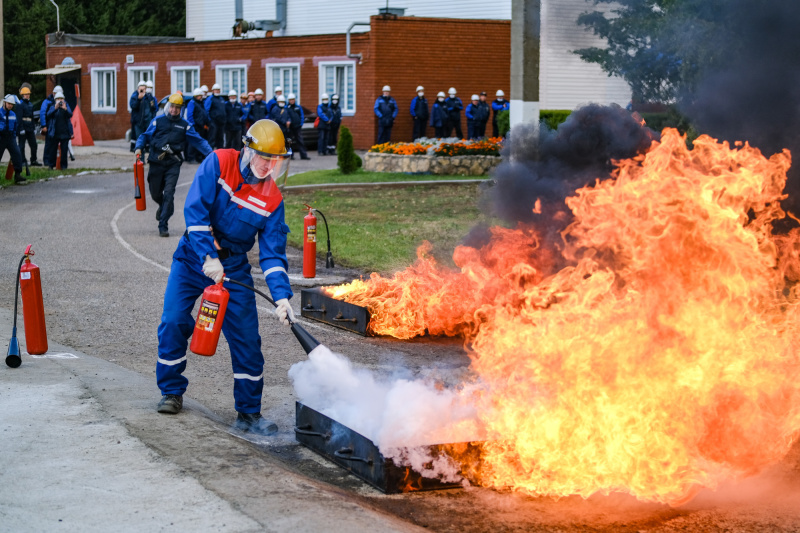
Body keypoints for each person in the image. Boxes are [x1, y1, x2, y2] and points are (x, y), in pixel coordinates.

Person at [154, 119, 294, 437]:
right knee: (174, 321)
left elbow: (272, 254)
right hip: (193, 257)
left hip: (233, 270)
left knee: (247, 339)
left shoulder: (273, 199)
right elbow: (195, 211)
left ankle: (248, 413)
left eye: (275, 160)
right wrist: (208, 256)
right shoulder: (219, 162)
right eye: (263, 157)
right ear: (247, 149)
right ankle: (171, 391)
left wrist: (282, 296)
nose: (268, 166)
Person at [135, 92, 212, 238]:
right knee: (155, 193)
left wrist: (211, 154)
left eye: (177, 108)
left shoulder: (185, 126)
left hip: (173, 163)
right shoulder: (158, 121)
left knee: (169, 193)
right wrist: (139, 147)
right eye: (172, 107)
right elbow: (145, 135)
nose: (174, 110)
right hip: (156, 161)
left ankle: (163, 224)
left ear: (181, 109)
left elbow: (199, 141)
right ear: (168, 106)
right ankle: (165, 208)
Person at [45, 92, 73, 170]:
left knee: (64, 151)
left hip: (64, 132)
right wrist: (55, 108)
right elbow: (48, 115)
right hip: (54, 133)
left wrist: (65, 109)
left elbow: (70, 114)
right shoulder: (52, 106)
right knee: (52, 150)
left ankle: (64, 166)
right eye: (58, 99)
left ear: (63, 99)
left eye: (61, 99)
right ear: (55, 100)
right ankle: (51, 165)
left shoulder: (66, 105)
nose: (60, 100)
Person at [1, 94, 25, 183]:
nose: (10, 105)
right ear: (4, 103)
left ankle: (18, 175)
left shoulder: (13, 114)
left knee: (17, 154)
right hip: (1, 137)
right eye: (8, 104)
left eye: (11, 104)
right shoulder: (0, 113)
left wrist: (14, 137)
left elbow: (15, 127)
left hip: (11, 137)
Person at [16, 86, 40, 167]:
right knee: (21, 145)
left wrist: (33, 128)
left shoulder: (30, 104)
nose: (27, 96)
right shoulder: (19, 104)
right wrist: (21, 129)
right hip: (23, 126)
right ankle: (22, 161)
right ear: (22, 95)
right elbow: (19, 117)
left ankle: (33, 160)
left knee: (34, 145)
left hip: (30, 127)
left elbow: (32, 117)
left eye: (28, 94)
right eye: (26, 94)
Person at [131, 81, 158, 153]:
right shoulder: (135, 96)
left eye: (144, 89)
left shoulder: (149, 97)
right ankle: (141, 160)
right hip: (139, 123)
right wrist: (139, 99)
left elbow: (153, 108)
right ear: (138, 88)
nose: (143, 90)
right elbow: (133, 106)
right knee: (140, 142)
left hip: (148, 123)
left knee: (150, 141)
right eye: (141, 89)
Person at [39, 85, 61, 167]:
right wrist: (44, 125)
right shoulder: (47, 102)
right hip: (49, 125)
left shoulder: (62, 101)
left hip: (58, 126)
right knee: (49, 144)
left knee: (56, 144)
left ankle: (55, 160)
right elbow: (42, 113)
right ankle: (47, 160)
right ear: (53, 93)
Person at [186, 88, 210, 163]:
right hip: (195, 126)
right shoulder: (192, 103)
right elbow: (189, 115)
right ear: (196, 96)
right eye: (200, 96)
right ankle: (191, 158)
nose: (201, 97)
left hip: (201, 126)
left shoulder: (200, 103)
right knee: (193, 142)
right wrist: (193, 124)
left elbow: (203, 114)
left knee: (200, 142)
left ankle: (199, 157)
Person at [286, 93, 309, 160]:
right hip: (290, 127)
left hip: (297, 127)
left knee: (300, 141)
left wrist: (301, 124)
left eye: (293, 99)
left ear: (295, 100)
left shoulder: (298, 107)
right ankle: (290, 155)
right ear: (288, 100)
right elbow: (286, 116)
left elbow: (301, 116)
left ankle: (303, 155)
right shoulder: (286, 108)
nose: (292, 101)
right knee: (290, 142)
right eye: (290, 100)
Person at [204, 83, 227, 149]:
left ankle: (220, 154)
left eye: (218, 90)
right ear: (213, 91)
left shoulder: (222, 99)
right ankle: (210, 153)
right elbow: (206, 110)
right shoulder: (210, 99)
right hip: (213, 122)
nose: (217, 91)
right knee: (212, 139)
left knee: (220, 139)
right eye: (215, 90)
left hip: (221, 123)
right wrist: (209, 121)